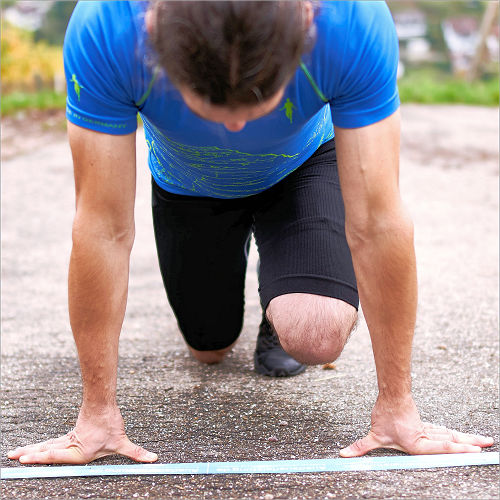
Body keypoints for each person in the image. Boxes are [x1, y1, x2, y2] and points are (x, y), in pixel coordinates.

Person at [8, 1, 493, 465]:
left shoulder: (351, 19)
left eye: (260, 93)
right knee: (209, 349)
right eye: (212, 101)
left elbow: (379, 222)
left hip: (303, 166)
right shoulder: (107, 27)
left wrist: (399, 409)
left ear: (307, 21)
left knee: (314, 332)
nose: (237, 124)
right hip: (190, 182)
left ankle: (283, 295)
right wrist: (96, 415)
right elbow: (102, 229)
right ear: (152, 32)